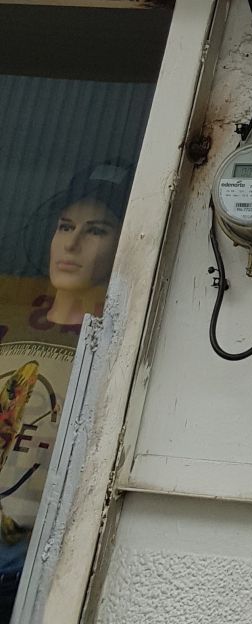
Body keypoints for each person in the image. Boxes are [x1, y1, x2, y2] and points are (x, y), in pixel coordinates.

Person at [0, 168, 127, 621]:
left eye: (96, 231)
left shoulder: (117, 351)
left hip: (33, 574)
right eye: (65, 226)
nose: (71, 245)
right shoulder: (9, 326)